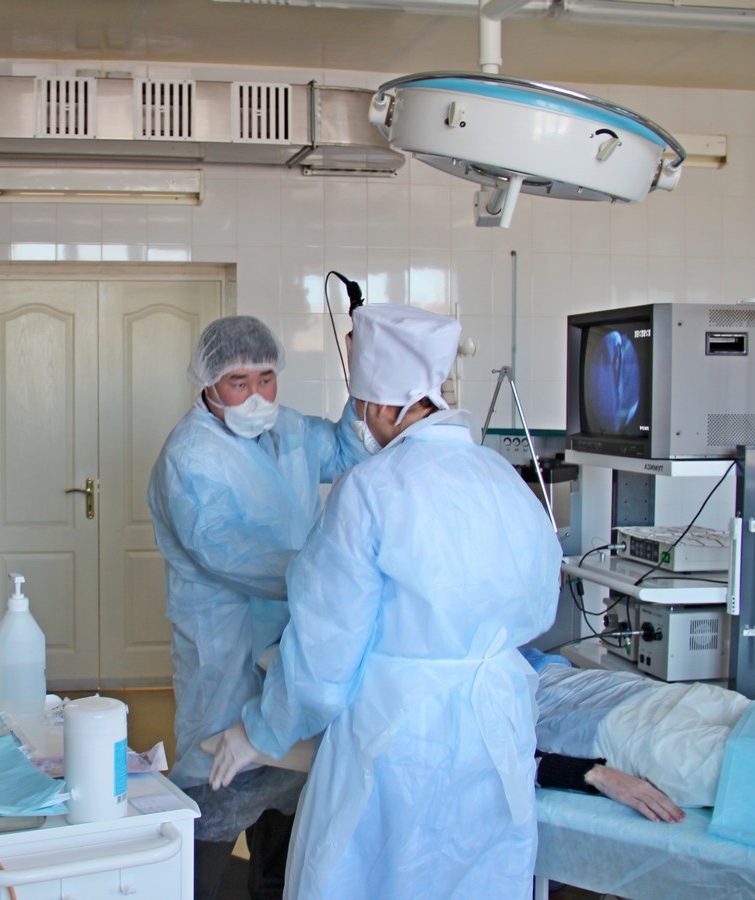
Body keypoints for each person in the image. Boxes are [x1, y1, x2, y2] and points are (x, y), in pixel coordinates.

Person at [210, 303, 562, 899]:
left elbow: (324, 662)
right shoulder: (502, 478)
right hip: (496, 733)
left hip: (399, 745)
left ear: (379, 407)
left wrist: (262, 731)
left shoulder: (370, 491)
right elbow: (539, 606)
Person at [146, 315, 367, 899]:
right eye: (238, 383)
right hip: (225, 645)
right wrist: (334, 579)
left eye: (266, 378)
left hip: (291, 639)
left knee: (288, 788)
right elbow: (229, 553)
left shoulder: (288, 429)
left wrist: (366, 381)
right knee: (216, 784)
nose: (256, 396)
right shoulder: (190, 456)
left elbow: (347, 448)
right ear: (209, 383)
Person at [523, 646, 749, 816]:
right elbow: (506, 765)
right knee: (733, 772)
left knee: (754, 723)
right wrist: (593, 773)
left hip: (573, 683)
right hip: (583, 714)